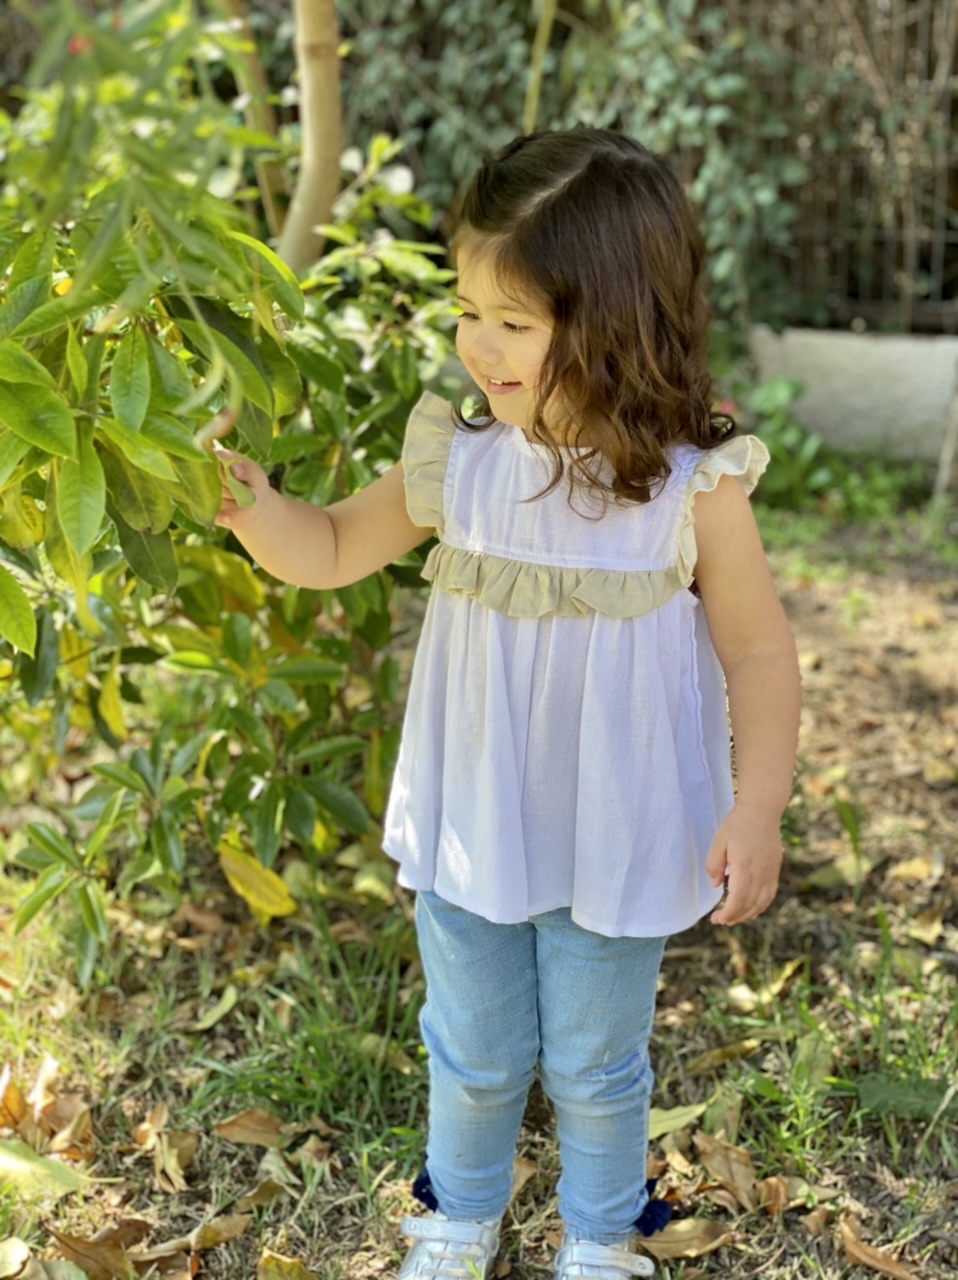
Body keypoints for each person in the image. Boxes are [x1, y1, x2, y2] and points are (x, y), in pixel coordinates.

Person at [215, 129, 801, 1280]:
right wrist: (252, 509)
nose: (478, 345)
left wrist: (759, 803)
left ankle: (598, 1230)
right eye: (467, 309)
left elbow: (758, 649)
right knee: (475, 1045)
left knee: (594, 1054)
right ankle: (458, 1213)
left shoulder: (692, 483)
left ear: (617, 318)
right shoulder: (463, 461)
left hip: (619, 825)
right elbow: (331, 544)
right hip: (474, 815)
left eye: (513, 322)